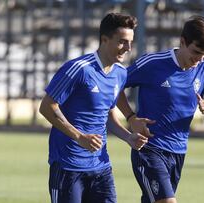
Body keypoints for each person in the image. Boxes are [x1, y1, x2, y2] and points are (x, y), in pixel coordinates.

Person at [117, 15, 204, 203]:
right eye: (196, 52)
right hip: (149, 148)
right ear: (182, 42)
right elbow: (115, 86)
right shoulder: (152, 63)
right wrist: (131, 117)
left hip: (178, 152)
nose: (199, 60)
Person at [39, 13, 148, 203]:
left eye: (130, 42)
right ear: (104, 40)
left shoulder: (120, 74)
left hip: (101, 166)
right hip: (68, 166)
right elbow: (47, 106)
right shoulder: (79, 69)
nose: (128, 48)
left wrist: (127, 136)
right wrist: (79, 137)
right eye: (122, 42)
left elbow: (106, 114)